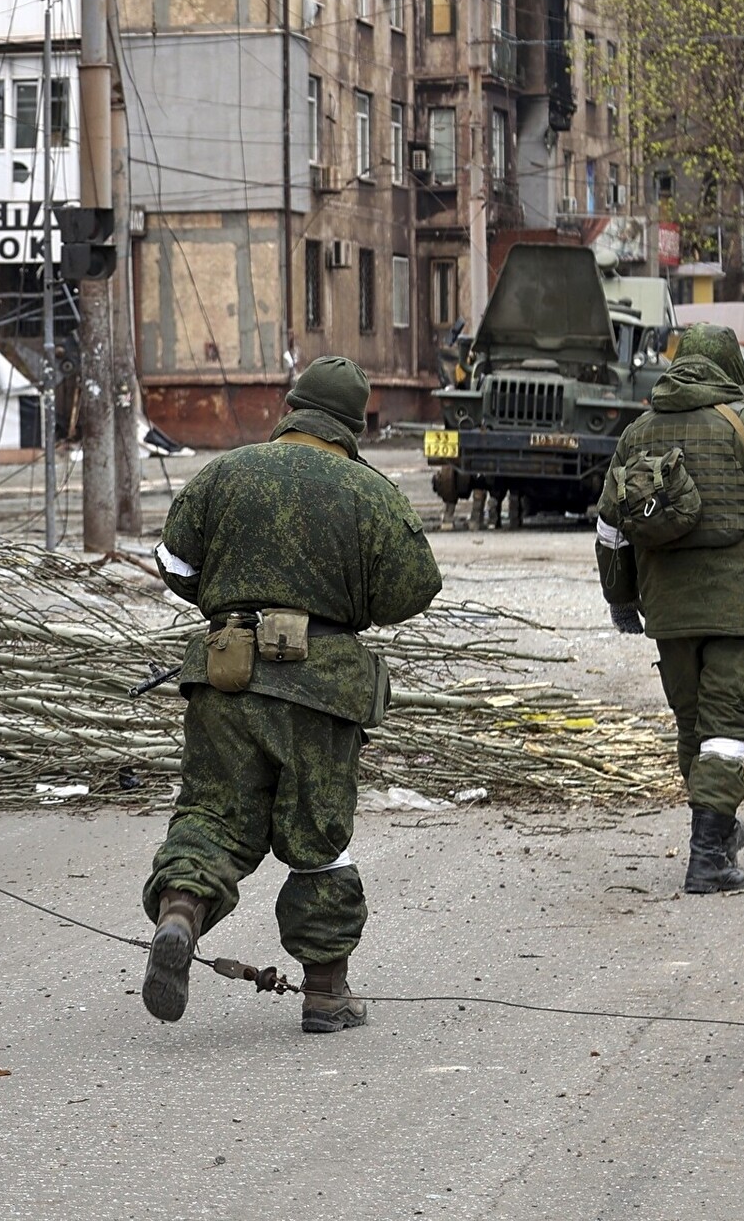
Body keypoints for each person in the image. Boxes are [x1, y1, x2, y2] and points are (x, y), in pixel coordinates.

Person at [142, 356, 442, 1034]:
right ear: (356, 422)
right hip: (320, 685)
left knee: (213, 816)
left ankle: (181, 915)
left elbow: (173, 563)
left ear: (291, 405)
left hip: (224, 672)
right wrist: (347, 605)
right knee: (318, 837)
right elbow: (415, 587)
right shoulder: (369, 491)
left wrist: (231, 604)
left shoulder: (224, 472)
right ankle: (326, 995)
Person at [595, 322, 744, 894]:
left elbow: (611, 527)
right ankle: (708, 859)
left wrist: (621, 598)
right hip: (743, 607)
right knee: (726, 729)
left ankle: (717, 831)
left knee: (694, 724)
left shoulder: (638, 434)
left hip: (669, 610)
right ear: (731, 368)